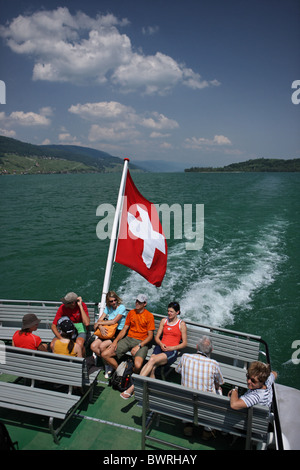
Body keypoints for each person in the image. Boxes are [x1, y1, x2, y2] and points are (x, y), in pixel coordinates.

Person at [101, 293, 155, 399]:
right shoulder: (131, 313)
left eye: (139, 302)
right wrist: (115, 341)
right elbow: (125, 329)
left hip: (141, 342)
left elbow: (150, 337)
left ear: (145, 304)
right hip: (128, 339)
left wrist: (139, 346)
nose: (137, 303)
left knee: (138, 365)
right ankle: (121, 373)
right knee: (105, 354)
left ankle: (131, 378)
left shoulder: (149, 316)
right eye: (136, 301)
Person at [175, 335, 224, 438]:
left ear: (197, 347)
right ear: (212, 350)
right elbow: (219, 382)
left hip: (186, 402)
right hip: (204, 406)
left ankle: (188, 426)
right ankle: (207, 431)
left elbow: (178, 371)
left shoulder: (185, 357)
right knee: (219, 390)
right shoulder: (214, 364)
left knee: (188, 389)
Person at [140, 301, 187, 378]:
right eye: (168, 311)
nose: (169, 313)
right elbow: (157, 338)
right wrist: (161, 344)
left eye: (171, 312)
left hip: (171, 350)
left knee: (151, 360)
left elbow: (184, 343)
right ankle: (150, 387)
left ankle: (135, 384)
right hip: (160, 347)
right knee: (152, 367)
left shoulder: (181, 324)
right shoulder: (164, 321)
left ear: (177, 312)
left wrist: (172, 348)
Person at [90, 291, 127, 378]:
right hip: (107, 331)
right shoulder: (108, 308)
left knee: (102, 346)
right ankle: (108, 363)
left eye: (115, 300)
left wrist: (100, 323)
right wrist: (101, 325)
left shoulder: (121, 308)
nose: (114, 302)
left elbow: (114, 321)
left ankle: (108, 365)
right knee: (93, 346)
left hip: (117, 332)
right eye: (111, 301)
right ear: (108, 301)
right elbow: (99, 320)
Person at [51, 292, 90, 356]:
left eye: (66, 303)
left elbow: (87, 323)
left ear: (73, 303)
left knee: (79, 344)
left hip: (80, 328)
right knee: (52, 344)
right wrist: (60, 338)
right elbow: (53, 326)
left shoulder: (82, 305)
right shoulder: (62, 307)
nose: (64, 304)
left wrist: (80, 306)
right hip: (67, 328)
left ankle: (81, 360)